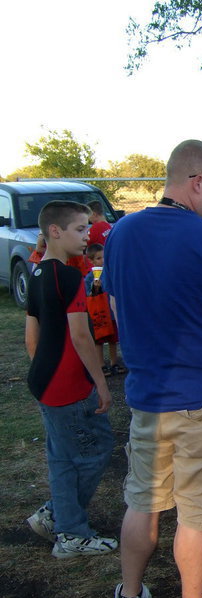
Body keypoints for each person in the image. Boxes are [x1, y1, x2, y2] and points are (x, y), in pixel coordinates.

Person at [103, 140, 202, 598]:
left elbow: (116, 305)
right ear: (197, 183)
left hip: (147, 397)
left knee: (142, 503)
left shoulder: (122, 233)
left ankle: (129, 593)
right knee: (196, 514)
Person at [24, 200, 117, 560]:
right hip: (69, 386)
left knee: (62, 457)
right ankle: (71, 532)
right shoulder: (67, 276)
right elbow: (81, 336)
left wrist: (44, 373)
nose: (88, 236)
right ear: (55, 231)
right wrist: (102, 382)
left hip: (44, 380)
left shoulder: (37, 273)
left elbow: (31, 338)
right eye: (80, 229)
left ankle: (56, 516)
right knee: (93, 450)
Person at [83, 243, 125, 376]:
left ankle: (114, 362)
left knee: (113, 339)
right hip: (99, 314)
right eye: (98, 258)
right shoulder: (90, 276)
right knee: (99, 340)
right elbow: (88, 294)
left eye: (103, 257)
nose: (102, 260)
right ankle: (100, 364)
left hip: (111, 313)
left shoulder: (110, 273)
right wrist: (95, 287)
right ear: (91, 261)